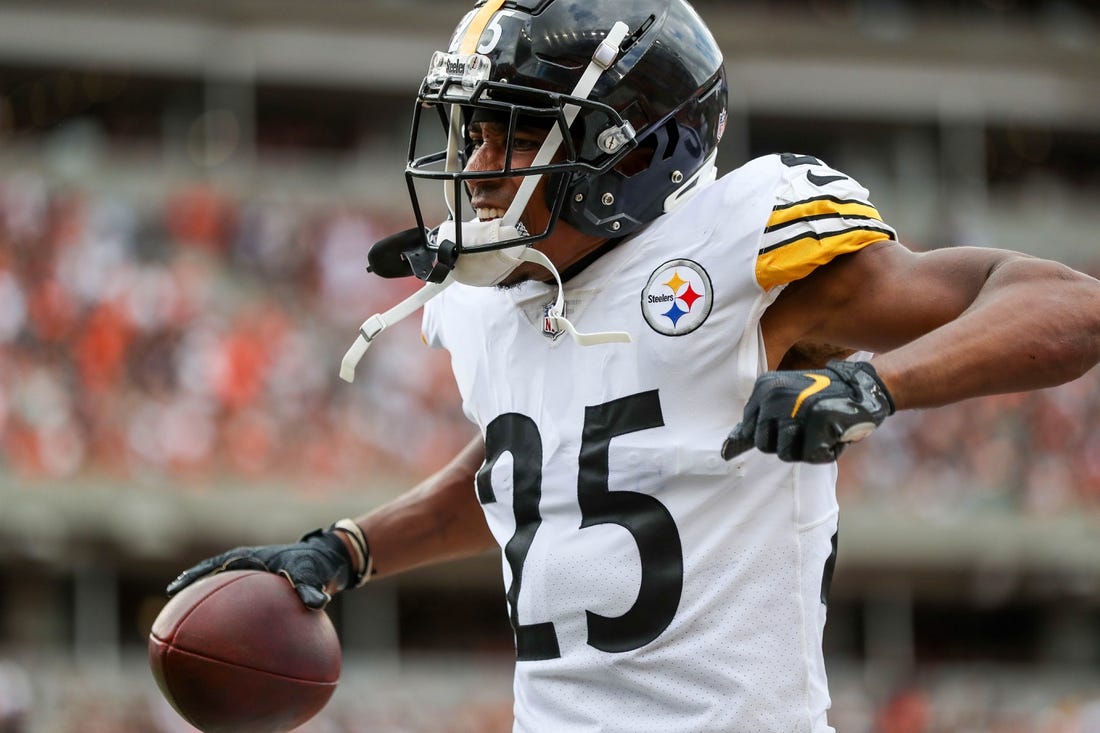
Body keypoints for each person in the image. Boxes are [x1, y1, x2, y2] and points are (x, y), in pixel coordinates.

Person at [167, 1, 1100, 731]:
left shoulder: (738, 256)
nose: (478, 167)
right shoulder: (498, 307)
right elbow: (533, 470)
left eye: (514, 133)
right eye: (474, 131)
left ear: (631, 146)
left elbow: (1068, 305)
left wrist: (875, 384)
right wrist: (348, 548)